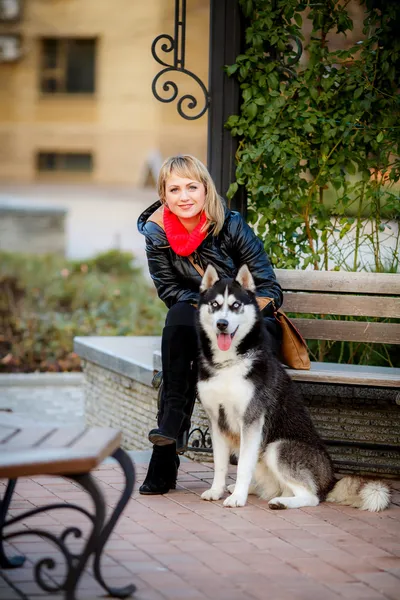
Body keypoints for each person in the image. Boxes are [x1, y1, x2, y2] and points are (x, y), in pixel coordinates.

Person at [137, 154, 283, 495]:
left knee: (184, 326)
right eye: (174, 189)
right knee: (179, 318)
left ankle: (167, 452)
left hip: (250, 327)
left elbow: (269, 287)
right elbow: (169, 291)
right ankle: (170, 431)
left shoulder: (230, 225)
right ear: (163, 195)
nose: (184, 196)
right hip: (201, 324)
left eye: (192, 187)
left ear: (206, 190)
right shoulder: (157, 235)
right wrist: (208, 312)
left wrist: (230, 315)